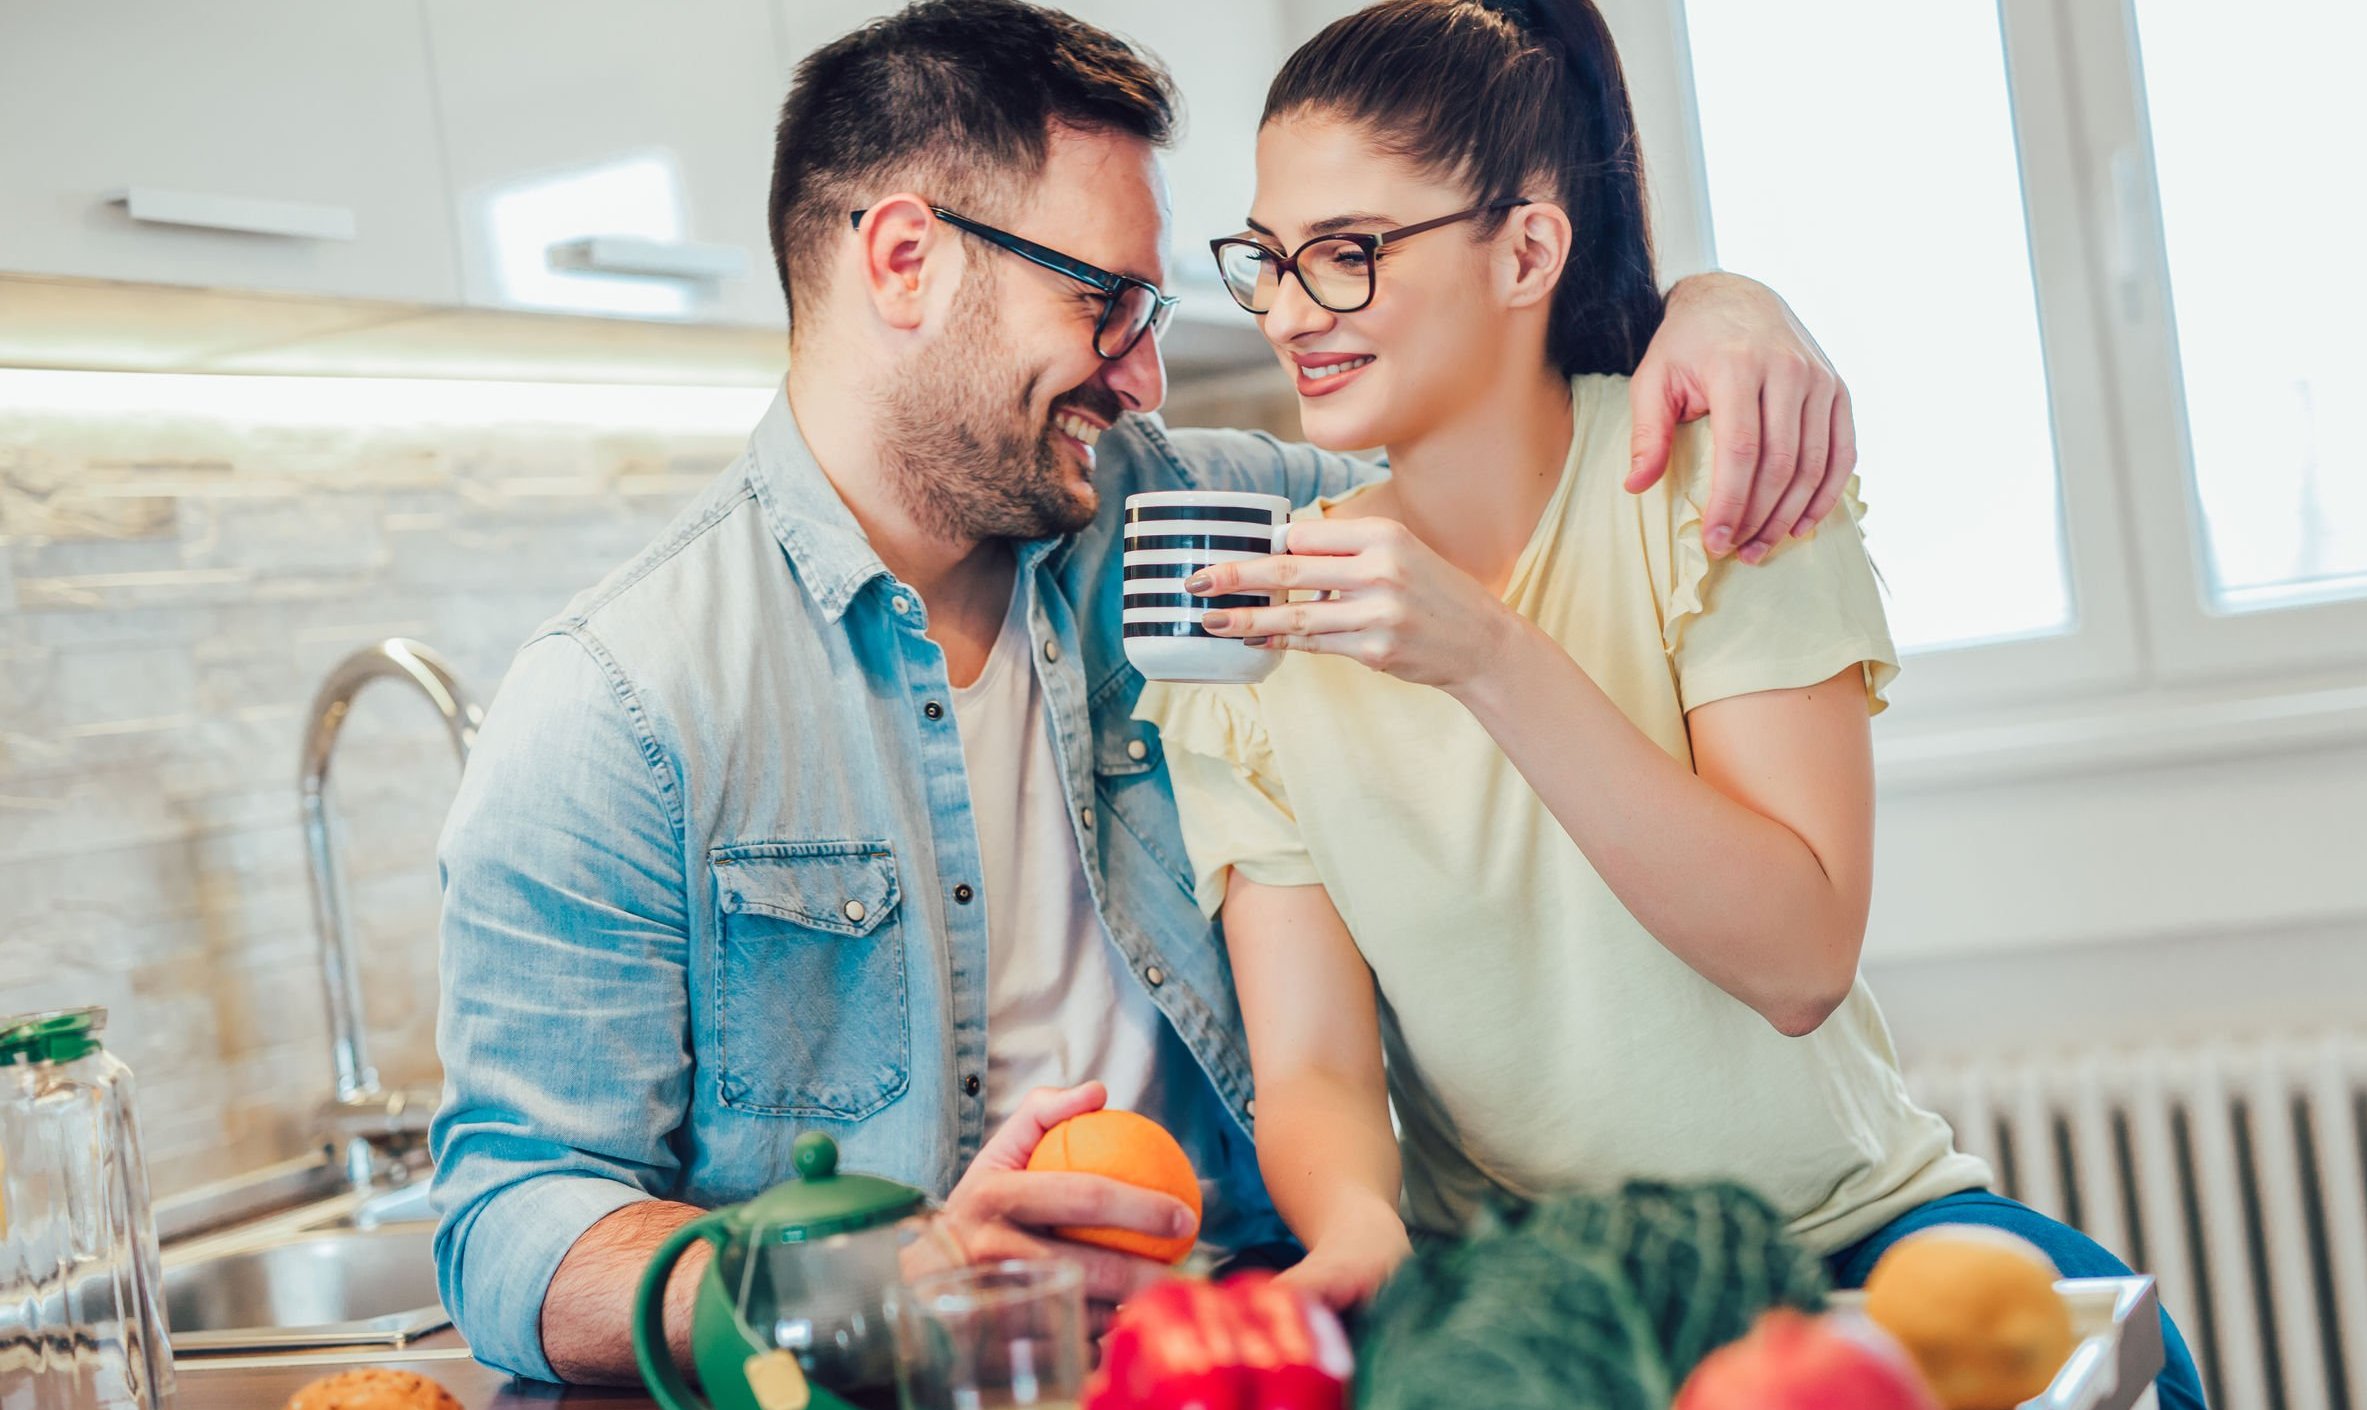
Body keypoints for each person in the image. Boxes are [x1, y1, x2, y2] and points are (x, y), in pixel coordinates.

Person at [428, 0, 1866, 1387]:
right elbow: (508, 1229)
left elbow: (1490, 436)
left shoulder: (1186, 523)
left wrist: (1720, 311)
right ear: (907, 260)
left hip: (1245, 1334)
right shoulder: (619, 707)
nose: (1148, 373)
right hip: (903, 1383)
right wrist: (863, 1288)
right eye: (1106, 299)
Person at [1134, 3, 2208, 1407]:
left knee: (2130, 1371)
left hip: (1847, 1239)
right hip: (1526, 1288)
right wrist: (1360, 1227)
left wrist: (1486, 653)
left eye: (1347, 255)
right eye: (1269, 258)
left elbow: (1798, 954)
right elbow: (1319, 1067)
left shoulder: (1718, 478)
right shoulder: (1256, 635)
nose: (1284, 310)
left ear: (1525, 248)